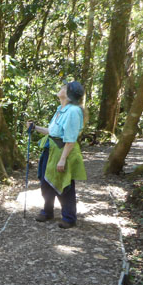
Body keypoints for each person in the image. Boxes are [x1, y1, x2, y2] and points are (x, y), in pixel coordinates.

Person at [26, 81, 87, 229]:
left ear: (68, 94)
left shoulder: (73, 111)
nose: (61, 88)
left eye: (64, 87)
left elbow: (71, 139)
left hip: (62, 151)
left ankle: (69, 217)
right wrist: (35, 128)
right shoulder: (61, 108)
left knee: (64, 183)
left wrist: (63, 159)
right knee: (46, 182)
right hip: (51, 149)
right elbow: (52, 131)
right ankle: (47, 211)